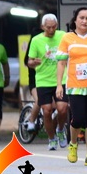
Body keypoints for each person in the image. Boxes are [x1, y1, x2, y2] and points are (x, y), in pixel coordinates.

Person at [56, 7, 87, 165]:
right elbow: (61, 63)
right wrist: (59, 85)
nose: (84, 21)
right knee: (78, 118)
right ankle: (73, 144)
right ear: (75, 20)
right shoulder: (67, 38)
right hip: (75, 85)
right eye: (81, 18)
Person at [27, 14, 68, 150]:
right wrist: (34, 62)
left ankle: (60, 130)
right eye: (48, 27)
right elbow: (29, 62)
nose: (51, 30)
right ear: (42, 27)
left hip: (61, 78)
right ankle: (51, 138)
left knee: (62, 108)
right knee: (47, 110)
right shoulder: (36, 40)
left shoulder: (63, 36)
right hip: (43, 80)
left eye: (54, 27)